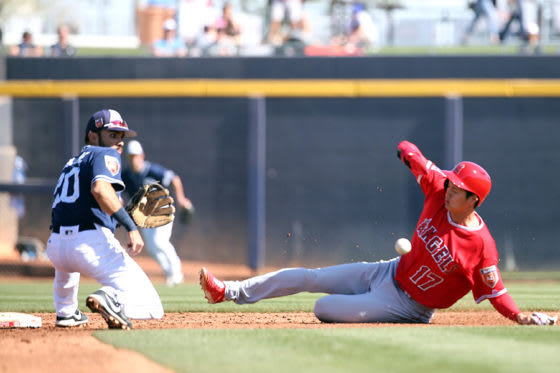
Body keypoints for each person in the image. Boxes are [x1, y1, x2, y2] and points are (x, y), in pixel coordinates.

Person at [200, 140, 557, 326]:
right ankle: (228, 292)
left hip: (408, 306)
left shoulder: (482, 246)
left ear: (473, 200)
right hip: (387, 270)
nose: (449, 189)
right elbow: (409, 150)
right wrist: (411, 156)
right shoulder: (438, 191)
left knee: (323, 307)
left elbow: (497, 292)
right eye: (450, 183)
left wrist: (519, 316)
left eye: (458, 188)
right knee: (312, 277)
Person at [46, 109, 164, 329]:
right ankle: (112, 299)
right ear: (93, 136)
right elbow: (101, 190)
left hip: (56, 247)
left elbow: (79, 207)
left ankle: (66, 311)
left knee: (67, 267)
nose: (119, 143)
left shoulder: (72, 163)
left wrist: (124, 215)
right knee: (153, 306)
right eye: (112, 135)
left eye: (121, 137)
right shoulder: (104, 154)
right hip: (89, 245)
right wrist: (131, 225)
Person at [122, 140, 193, 287]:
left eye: (136, 155)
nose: (134, 159)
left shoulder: (151, 170)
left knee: (160, 242)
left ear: (142, 155)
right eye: (131, 156)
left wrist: (180, 199)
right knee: (152, 248)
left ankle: (177, 274)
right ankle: (170, 275)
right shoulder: (126, 175)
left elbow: (174, 179)